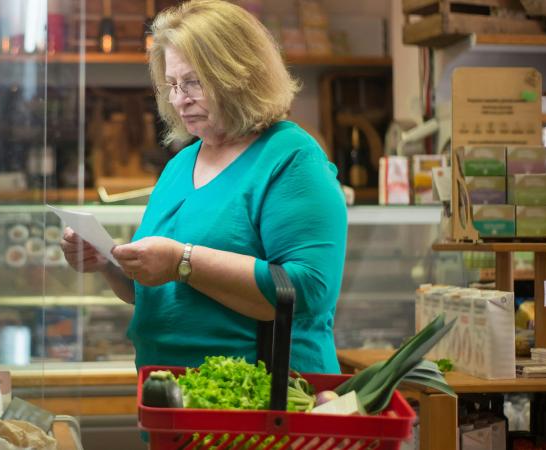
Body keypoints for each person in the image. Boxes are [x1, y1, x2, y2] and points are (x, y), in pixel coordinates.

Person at [60, 0, 347, 374]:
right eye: (173, 84)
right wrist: (109, 265)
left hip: (262, 404)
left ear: (241, 74)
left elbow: (307, 290)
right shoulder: (181, 164)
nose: (180, 99)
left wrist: (183, 260)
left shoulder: (290, 159)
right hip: (174, 402)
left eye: (194, 81)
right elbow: (156, 293)